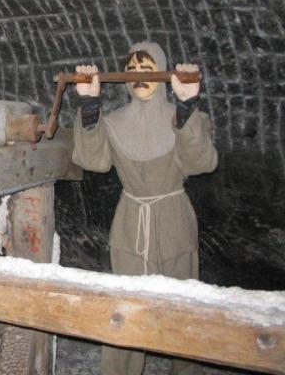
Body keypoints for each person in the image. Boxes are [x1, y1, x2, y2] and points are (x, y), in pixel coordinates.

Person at [71, 42, 218, 375]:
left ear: (163, 73)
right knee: (125, 309)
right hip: (131, 225)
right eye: (132, 70)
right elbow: (93, 160)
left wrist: (186, 105)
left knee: (183, 310)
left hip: (174, 223)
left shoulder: (184, 117)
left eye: (148, 69)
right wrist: (90, 104)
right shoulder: (114, 122)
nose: (139, 77)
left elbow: (201, 163)